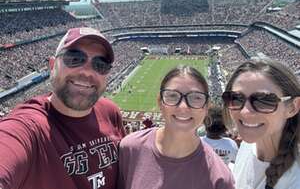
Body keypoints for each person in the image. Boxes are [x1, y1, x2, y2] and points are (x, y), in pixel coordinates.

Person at [0, 27, 126, 189]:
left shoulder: (110, 112)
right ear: (52, 65)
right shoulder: (28, 128)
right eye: (74, 59)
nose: (87, 72)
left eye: (100, 65)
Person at [118, 65, 234, 189]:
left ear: (206, 107)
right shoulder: (129, 149)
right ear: (160, 103)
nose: (183, 107)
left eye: (196, 97)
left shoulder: (220, 178)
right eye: (172, 96)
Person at [222, 57, 300, 189]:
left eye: (264, 101)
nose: (245, 112)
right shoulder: (248, 145)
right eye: (235, 98)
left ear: (292, 107)